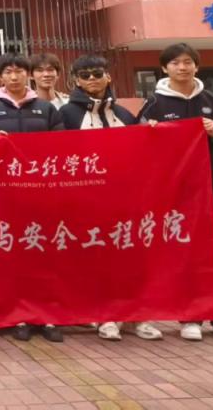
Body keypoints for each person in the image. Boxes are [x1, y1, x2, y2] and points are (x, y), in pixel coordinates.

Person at [138, 43, 213, 343]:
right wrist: (150, 132)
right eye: (175, 63)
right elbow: (139, 144)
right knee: (187, 254)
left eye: (188, 62)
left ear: (196, 66)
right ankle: (190, 317)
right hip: (179, 194)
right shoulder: (154, 104)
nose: (182, 67)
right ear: (165, 68)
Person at [57, 55, 159, 342]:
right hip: (87, 201)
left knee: (132, 258)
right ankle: (105, 316)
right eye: (85, 75)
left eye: (97, 73)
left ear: (108, 76)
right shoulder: (65, 115)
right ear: (76, 81)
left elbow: (142, 153)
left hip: (126, 200)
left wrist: (152, 133)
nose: (92, 79)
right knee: (97, 260)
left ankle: (137, 316)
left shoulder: (124, 114)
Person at [0, 53, 64, 343]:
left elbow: (62, 145)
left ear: (28, 75)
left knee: (44, 256)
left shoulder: (46, 108)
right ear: (0, 76)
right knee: (12, 257)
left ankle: (48, 316)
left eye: (19, 71)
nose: (14, 77)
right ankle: (20, 316)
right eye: (8, 72)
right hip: (5, 196)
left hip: (41, 194)